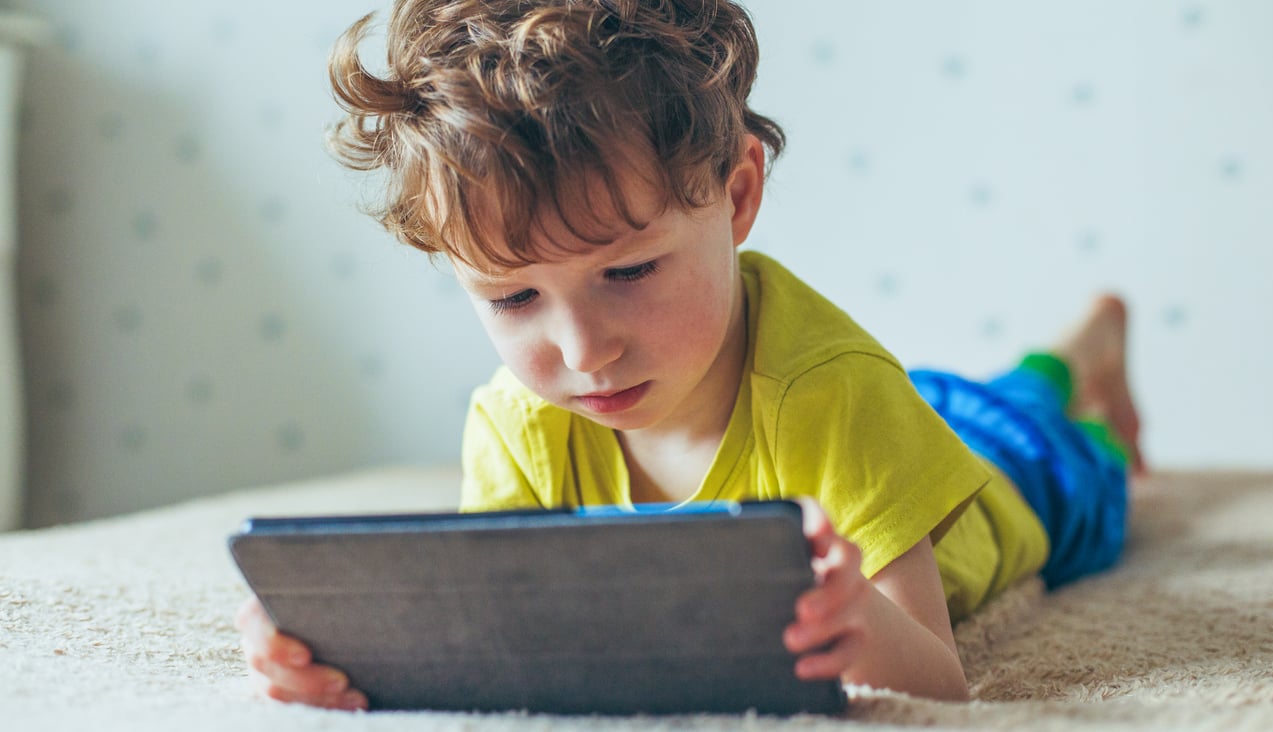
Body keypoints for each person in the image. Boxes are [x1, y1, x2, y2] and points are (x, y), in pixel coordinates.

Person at [235, 0, 1144, 711]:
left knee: (1053, 435)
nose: (584, 350)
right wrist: (327, 649)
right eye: (514, 297)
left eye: (627, 271)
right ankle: (1073, 351)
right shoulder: (518, 424)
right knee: (985, 395)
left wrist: (854, 621)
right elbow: (498, 635)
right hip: (908, 417)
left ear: (738, 194)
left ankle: (1092, 351)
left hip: (1012, 477)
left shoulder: (835, 397)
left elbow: (939, 679)